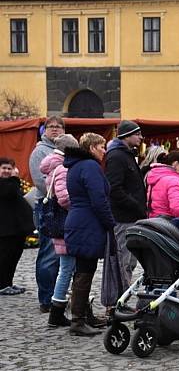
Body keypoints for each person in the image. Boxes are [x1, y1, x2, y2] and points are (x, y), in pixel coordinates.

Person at [64, 133, 116, 337]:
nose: (104, 151)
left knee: (83, 270)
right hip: (87, 223)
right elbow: (98, 199)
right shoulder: (90, 166)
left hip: (79, 221)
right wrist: (110, 222)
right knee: (85, 271)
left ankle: (84, 315)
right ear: (92, 147)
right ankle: (78, 320)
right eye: (102, 147)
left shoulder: (76, 166)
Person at [39, 134, 80, 327]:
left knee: (67, 268)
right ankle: (56, 312)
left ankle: (60, 309)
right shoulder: (62, 168)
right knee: (66, 269)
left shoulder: (53, 166)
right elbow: (64, 199)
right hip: (65, 224)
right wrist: (80, 209)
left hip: (61, 224)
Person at [29, 116, 65, 312]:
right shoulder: (39, 151)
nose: (54, 129)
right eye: (50, 127)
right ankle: (46, 298)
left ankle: (58, 295)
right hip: (48, 206)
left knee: (61, 255)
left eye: (58, 127)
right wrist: (62, 195)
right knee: (49, 253)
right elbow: (40, 181)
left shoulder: (66, 151)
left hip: (63, 206)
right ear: (44, 131)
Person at [105, 120, 146, 287]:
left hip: (132, 216)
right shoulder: (116, 156)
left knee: (130, 261)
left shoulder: (127, 154)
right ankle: (119, 299)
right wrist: (135, 204)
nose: (140, 137)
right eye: (137, 134)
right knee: (123, 261)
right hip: (123, 217)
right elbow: (114, 189)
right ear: (126, 136)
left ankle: (123, 296)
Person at [0, 158, 34, 296]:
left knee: (13, 258)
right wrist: (14, 178)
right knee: (4, 258)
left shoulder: (10, 183)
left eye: (9, 168)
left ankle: (8, 282)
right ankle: (2, 285)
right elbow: (9, 193)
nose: (7, 171)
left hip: (16, 229)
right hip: (5, 230)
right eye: (4, 168)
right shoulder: (6, 184)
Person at [145, 150, 179, 223]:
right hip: (168, 225)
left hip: (152, 222)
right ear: (176, 164)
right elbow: (178, 209)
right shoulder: (174, 180)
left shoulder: (155, 177)